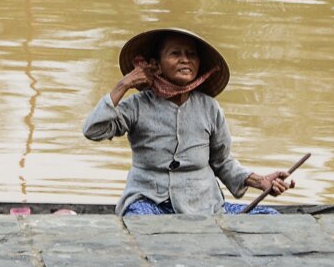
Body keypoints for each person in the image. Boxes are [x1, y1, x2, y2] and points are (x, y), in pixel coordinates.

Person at [83, 28, 296, 216]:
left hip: (204, 206)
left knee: (269, 217)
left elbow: (222, 162)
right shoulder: (137, 105)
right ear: (156, 64)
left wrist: (261, 181)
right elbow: (93, 130)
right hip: (150, 202)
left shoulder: (209, 107)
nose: (185, 60)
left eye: (191, 55)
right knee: (144, 225)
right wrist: (124, 83)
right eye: (175, 53)